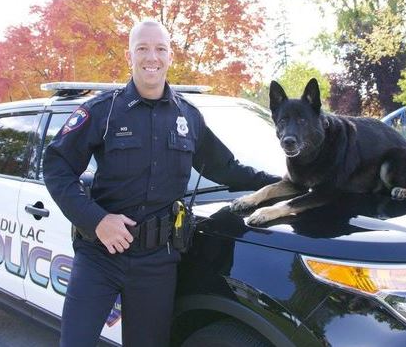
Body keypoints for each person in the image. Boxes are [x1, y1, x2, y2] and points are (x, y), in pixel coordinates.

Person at [43, 20, 280, 347]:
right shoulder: (103, 111)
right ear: (130, 55)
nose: (151, 56)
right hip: (100, 255)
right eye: (142, 48)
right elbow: (56, 165)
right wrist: (95, 220)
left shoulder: (189, 117)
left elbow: (228, 169)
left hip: (157, 261)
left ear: (170, 56)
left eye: (160, 49)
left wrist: (285, 185)